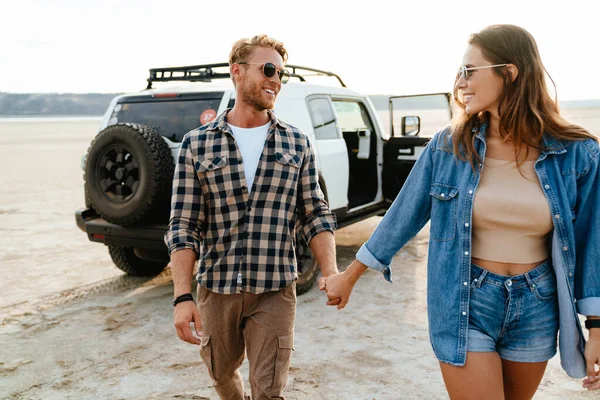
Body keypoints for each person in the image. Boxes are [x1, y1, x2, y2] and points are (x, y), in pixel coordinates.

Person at [320, 24, 600, 398]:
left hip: (537, 304)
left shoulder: (576, 153)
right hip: (466, 298)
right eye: (458, 72)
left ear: (510, 73)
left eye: (469, 71)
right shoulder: (448, 148)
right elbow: (402, 216)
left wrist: (596, 325)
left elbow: (592, 241)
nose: (459, 82)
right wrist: (349, 276)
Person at [165, 34, 338, 400]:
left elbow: (314, 213)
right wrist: (183, 297)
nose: (276, 79)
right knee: (220, 373)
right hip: (217, 288)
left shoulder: (297, 142)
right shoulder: (196, 145)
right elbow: (183, 226)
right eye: (269, 69)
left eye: (282, 74)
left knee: (270, 389)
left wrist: (331, 271)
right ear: (237, 72)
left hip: (274, 288)